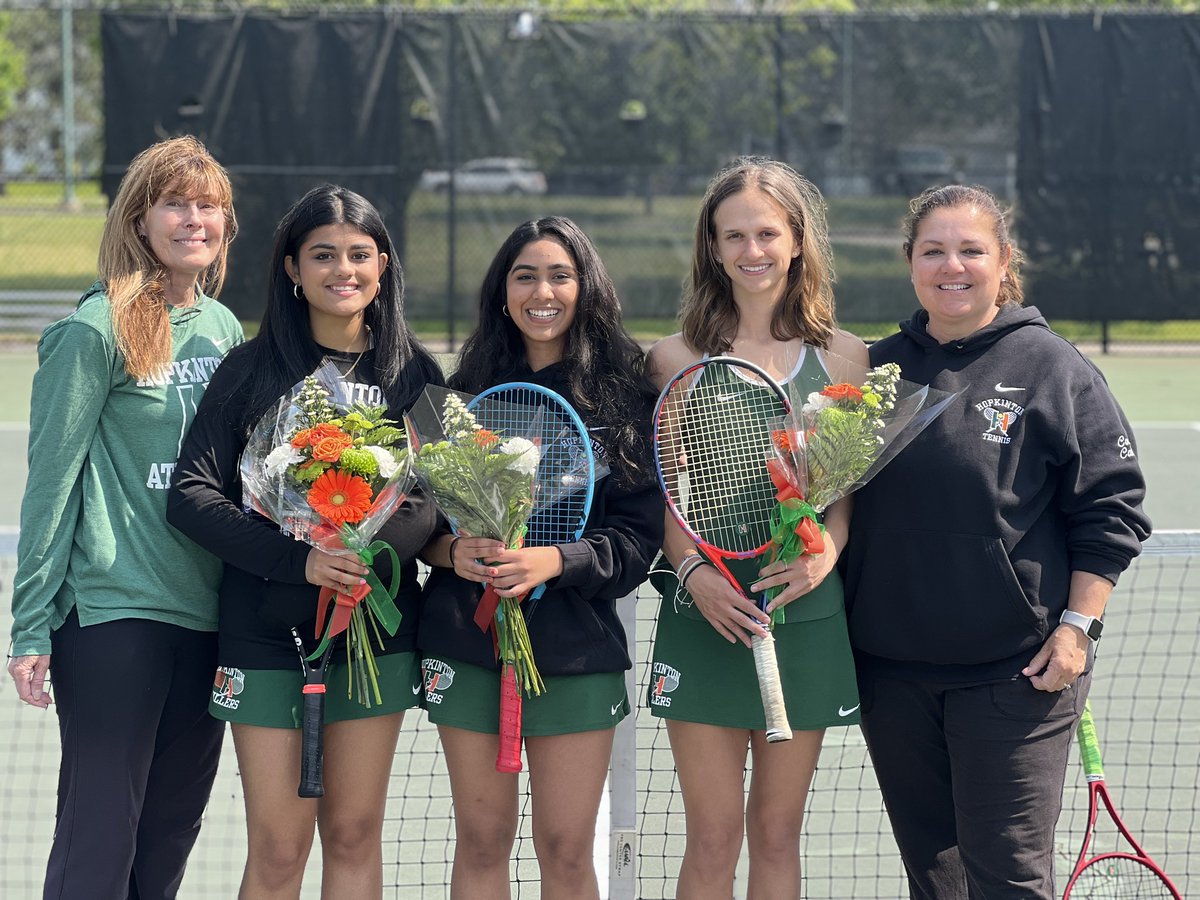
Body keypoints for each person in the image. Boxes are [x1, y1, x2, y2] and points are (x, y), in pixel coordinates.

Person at [841, 184, 1152, 899]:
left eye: (971, 250)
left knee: (1009, 881)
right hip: (892, 677)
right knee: (936, 880)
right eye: (934, 250)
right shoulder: (872, 371)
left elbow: (1113, 510)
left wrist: (1076, 629)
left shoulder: (1054, 368)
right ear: (910, 262)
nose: (953, 266)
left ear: (1002, 260)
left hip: (1016, 676)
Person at [166, 184, 443, 899]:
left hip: (373, 635)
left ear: (382, 266)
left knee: (353, 834)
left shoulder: (418, 374)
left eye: (359, 255)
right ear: (292, 268)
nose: (342, 270)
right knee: (280, 848)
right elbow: (192, 496)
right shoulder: (249, 371)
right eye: (322, 255)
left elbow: (439, 497)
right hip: (263, 634)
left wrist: (369, 554)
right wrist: (305, 561)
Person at [7, 135, 242, 899]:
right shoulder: (94, 329)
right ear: (140, 220)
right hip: (114, 615)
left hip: (205, 617)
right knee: (98, 841)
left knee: (168, 840)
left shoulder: (224, 330)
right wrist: (30, 627)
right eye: (175, 204)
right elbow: (51, 484)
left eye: (208, 206)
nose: (193, 220)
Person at [418, 216, 662, 899]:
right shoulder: (457, 396)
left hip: (576, 650)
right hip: (466, 642)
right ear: (502, 292)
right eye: (524, 276)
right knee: (483, 840)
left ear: (587, 289)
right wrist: (452, 550)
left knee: (564, 847)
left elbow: (637, 543)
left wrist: (554, 563)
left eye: (560, 275)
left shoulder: (625, 399)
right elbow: (420, 525)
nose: (542, 291)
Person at [646, 156, 867, 899]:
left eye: (767, 233)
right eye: (732, 235)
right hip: (702, 616)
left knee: (777, 833)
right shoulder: (673, 360)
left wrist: (823, 555)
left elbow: (840, 497)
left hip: (802, 612)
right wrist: (697, 577)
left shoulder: (847, 357)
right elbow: (669, 501)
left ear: (798, 240)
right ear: (711, 247)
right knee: (712, 838)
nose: (751, 251)